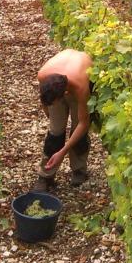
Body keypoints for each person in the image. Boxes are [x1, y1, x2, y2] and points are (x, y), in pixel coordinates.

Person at [33, 49, 94, 192]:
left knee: (78, 132)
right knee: (55, 133)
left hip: (79, 79)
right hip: (61, 78)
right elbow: (45, 102)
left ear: (65, 94)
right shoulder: (43, 76)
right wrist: (52, 118)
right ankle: (45, 176)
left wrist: (63, 151)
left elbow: (83, 124)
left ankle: (79, 169)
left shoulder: (81, 87)